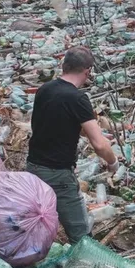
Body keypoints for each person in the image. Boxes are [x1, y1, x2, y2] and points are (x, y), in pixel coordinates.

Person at [27, 46, 119, 243]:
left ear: (64, 66)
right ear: (87, 71)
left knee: (38, 223)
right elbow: (100, 145)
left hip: (33, 168)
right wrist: (113, 162)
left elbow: (55, 123)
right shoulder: (77, 98)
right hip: (57, 174)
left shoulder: (45, 89)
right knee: (81, 235)